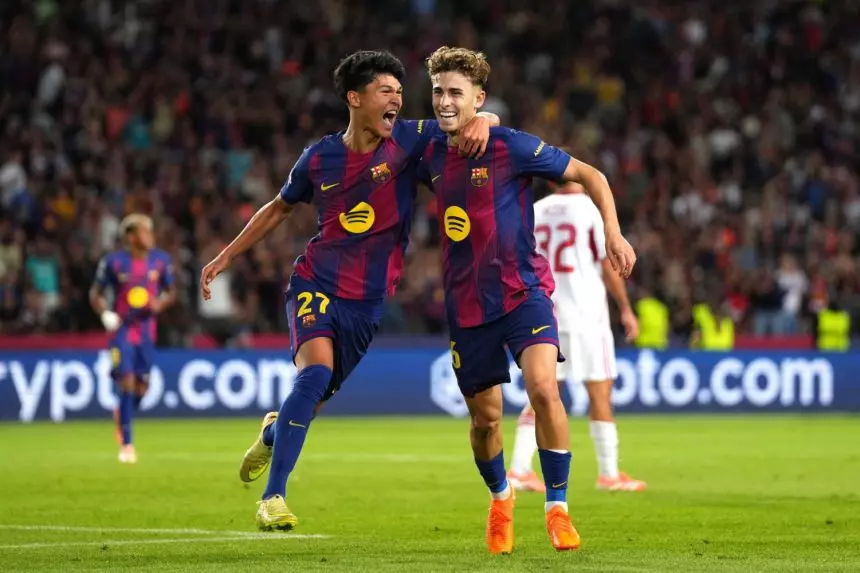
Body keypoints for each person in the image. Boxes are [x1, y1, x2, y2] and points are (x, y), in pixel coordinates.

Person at [199, 50, 499, 532]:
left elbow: (464, 121)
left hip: (367, 303)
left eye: (399, 92)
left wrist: (486, 117)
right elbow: (278, 208)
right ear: (355, 98)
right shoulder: (320, 157)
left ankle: (273, 433)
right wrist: (227, 255)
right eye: (385, 91)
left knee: (312, 400)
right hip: (316, 281)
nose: (397, 99)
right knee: (314, 376)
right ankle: (273, 497)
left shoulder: (408, 139)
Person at [418, 47, 635, 554]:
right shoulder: (424, 147)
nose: (445, 101)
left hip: (525, 292)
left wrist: (613, 232)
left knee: (543, 387)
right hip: (468, 304)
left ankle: (558, 508)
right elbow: (376, 132)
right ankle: (500, 498)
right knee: (486, 420)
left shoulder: (510, 145)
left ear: (479, 98)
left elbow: (593, 175)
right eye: (438, 92)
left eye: (456, 93)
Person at [508, 181, 647, 494]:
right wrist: (626, 308)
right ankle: (609, 474)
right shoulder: (591, 210)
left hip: (545, 312)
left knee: (543, 393)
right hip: (586, 315)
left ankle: (519, 469)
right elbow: (607, 262)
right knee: (600, 392)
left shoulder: (535, 210)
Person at [89, 214, 176, 464]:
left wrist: (160, 303)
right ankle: (127, 444)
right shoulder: (113, 262)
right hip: (122, 331)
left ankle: (122, 413)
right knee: (126, 380)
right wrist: (105, 314)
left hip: (147, 331)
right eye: (145, 231)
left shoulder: (161, 261)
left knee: (141, 388)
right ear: (131, 236)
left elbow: (171, 292)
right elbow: (95, 293)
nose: (150, 235)